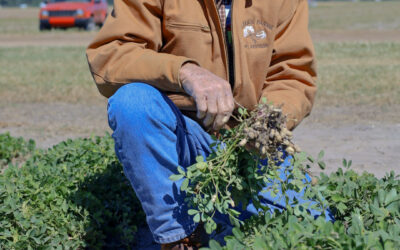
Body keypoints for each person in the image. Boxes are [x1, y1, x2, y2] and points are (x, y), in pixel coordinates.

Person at [86, 0, 322, 248]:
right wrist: (184, 72)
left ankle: (220, 218)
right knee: (132, 102)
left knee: (314, 227)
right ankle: (180, 236)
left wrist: (268, 121)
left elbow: (293, 73)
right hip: (184, 140)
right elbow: (111, 56)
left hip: (249, 147)